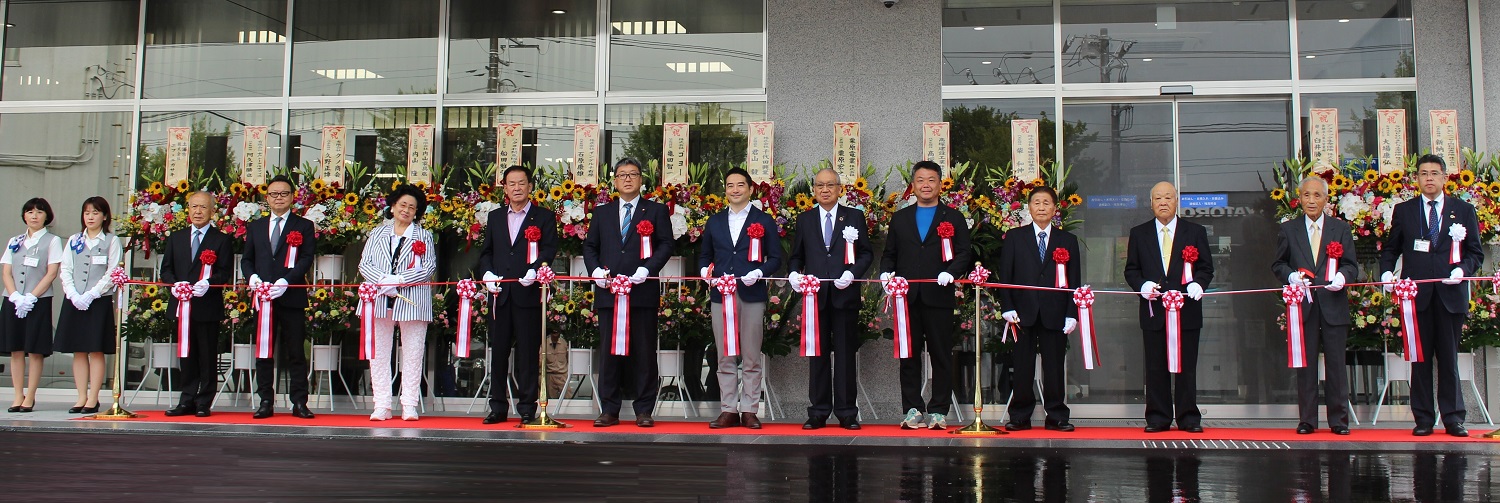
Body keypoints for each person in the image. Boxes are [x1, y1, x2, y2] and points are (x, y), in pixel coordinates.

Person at [1379, 154, 1484, 437]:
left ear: (1444, 177)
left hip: (1451, 295)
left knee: (1448, 358)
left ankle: (1453, 418)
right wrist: (1387, 273)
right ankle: (1423, 418)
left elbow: (1476, 252)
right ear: (1416, 178)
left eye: (1434, 173)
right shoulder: (1405, 210)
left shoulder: (1463, 210)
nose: (1429, 178)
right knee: (1420, 359)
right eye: (1423, 173)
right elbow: (1391, 249)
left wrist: (1463, 269)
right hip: (1417, 295)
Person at [880, 160, 973, 430]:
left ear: (940, 183)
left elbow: (965, 252)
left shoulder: (953, 217)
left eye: (931, 180)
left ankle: (938, 410)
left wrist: (951, 273)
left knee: (941, 354)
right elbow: (890, 254)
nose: (926, 185)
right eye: (920, 180)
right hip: (906, 298)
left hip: (939, 295)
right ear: (913, 184)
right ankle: (912, 409)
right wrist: (887, 275)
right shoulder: (901, 218)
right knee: (908, 355)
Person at [582, 158, 674, 427]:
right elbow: (590, 247)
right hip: (609, 293)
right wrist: (596, 271)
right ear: (615, 180)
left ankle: (644, 409)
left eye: (633, 174)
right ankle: (609, 409)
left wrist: (648, 269)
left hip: (642, 291)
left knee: (644, 353)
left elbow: (666, 245)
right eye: (622, 175)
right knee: (609, 354)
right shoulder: (602, 212)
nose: (627, 179)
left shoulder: (655, 211)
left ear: (641, 179)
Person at [1123, 181, 1215, 433]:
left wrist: (1199, 284)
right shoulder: (1139, 233)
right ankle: (1157, 417)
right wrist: (1142, 286)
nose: (1163, 202)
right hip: (1154, 312)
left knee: (1186, 366)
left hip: (1187, 312)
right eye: (1158, 198)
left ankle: (1188, 418)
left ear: (1177, 201)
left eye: (1168, 198)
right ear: (1151, 203)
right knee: (1155, 367)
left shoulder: (1194, 232)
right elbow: (1131, 270)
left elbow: (1206, 267)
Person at [1270, 176, 1358, 435]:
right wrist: (1291, 276)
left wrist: (1342, 278)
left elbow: (1351, 265)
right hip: (1303, 307)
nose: (1311, 200)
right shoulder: (1289, 229)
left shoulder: (1340, 229)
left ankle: (1339, 421)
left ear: (1326, 199)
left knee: (1336, 365)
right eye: (1306, 195)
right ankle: (1307, 419)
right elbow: (1278, 264)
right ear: (1300, 198)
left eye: (1317, 195)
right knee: (1305, 365)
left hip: (1333, 305)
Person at [787, 167, 873, 430]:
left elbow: (866, 254)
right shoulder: (805, 220)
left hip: (845, 295)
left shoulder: (854, 217)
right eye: (819, 186)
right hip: (815, 297)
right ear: (813, 190)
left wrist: (852, 273)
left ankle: (847, 412)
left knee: (846, 355)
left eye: (830, 185)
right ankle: (818, 411)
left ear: (839, 189)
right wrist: (793, 273)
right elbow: (796, 255)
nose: (825, 190)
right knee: (818, 355)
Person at [697, 167, 782, 429]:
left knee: (751, 354)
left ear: (750, 189)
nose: (735, 190)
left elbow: (777, 259)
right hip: (721, 296)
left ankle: (749, 409)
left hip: (751, 294)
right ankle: (728, 409)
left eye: (740, 185)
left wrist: (759, 272)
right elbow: (704, 256)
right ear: (725, 190)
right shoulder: (715, 221)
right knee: (724, 355)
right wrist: (704, 272)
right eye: (730, 185)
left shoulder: (764, 220)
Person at [477, 165, 558, 424]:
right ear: (505, 188)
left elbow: (548, 250)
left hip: (528, 293)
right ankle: (498, 406)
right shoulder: (496, 217)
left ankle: (526, 406)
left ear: (530, 186)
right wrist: (487, 274)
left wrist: (535, 271)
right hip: (500, 295)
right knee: (498, 352)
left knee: (527, 353)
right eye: (511, 183)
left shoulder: (544, 217)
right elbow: (487, 251)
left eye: (521, 183)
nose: (517, 188)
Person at [997, 186, 1080, 432]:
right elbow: (1006, 276)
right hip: (1022, 313)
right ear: (1029, 208)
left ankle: (1056, 415)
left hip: (1055, 312)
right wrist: (1007, 306)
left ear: (1055, 209)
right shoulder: (1015, 237)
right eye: (1036, 203)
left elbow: (1074, 279)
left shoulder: (1067, 240)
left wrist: (1071, 313)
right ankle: (1020, 415)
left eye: (1046, 203)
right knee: (1022, 365)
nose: (1041, 207)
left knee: (1054, 366)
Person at [358, 184, 437, 421]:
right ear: (392, 207)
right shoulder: (377, 233)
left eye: (412, 207)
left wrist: (399, 280)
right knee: (379, 353)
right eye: (402, 205)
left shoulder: (424, 235)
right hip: (379, 299)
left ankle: (409, 404)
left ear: (417, 212)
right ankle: (381, 404)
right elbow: (364, 264)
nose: (406, 210)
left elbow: (428, 267)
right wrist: (383, 281)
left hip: (412, 300)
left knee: (413, 353)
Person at [241, 175, 318, 419]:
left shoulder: (303, 225)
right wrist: (252, 278)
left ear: (292, 197)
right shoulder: (255, 227)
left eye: (283, 193)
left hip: (291, 296)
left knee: (295, 351)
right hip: (263, 299)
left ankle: (299, 402)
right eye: (274, 194)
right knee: (264, 351)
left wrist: (287, 281)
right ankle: (265, 400)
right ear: (267, 198)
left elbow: (306, 258)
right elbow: (246, 259)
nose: (279, 198)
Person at [159, 192, 233, 417]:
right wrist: (175, 284)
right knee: (186, 355)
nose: (198, 211)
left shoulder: (221, 239)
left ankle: (204, 402)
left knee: (208, 356)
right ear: (187, 209)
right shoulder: (177, 238)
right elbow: (166, 270)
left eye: (203, 207)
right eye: (194, 207)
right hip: (182, 304)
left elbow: (225, 272)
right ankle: (186, 399)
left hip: (207, 306)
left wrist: (207, 283)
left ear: (212, 211)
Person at [54, 197, 123, 414]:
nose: (90, 217)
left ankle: (93, 398)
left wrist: (93, 293)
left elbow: (113, 272)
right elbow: (65, 269)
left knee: (96, 349)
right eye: (86, 213)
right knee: (79, 350)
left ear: (104, 216)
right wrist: (73, 294)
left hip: (98, 301)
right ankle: (81, 396)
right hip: (74, 299)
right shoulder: (74, 240)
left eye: (95, 212)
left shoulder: (111, 241)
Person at [2, 198, 61, 413]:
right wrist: (15, 295)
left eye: (39, 211)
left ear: (47, 215)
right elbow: (6, 272)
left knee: (35, 350)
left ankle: (31, 396)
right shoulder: (14, 241)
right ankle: (18, 394)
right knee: (16, 349)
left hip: (39, 301)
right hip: (13, 299)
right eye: (29, 211)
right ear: (24, 215)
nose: (34, 215)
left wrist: (31, 297)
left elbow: (51, 272)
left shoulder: (52, 241)